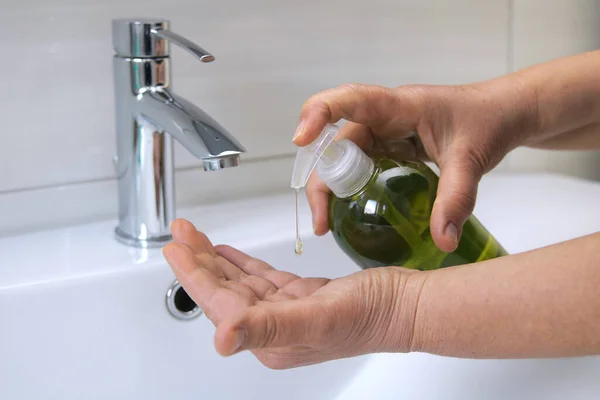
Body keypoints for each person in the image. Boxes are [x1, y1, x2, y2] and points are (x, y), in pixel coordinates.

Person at [162, 51, 600, 369]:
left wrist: (400, 314)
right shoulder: (350, 217)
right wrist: (507, 106)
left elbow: (403, 307)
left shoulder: (398, 179)